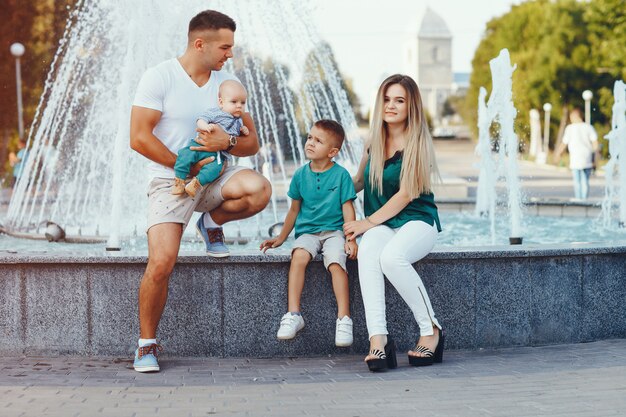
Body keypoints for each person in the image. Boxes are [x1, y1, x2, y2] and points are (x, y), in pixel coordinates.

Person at [129, 10, 271, 373]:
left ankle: (211, 222)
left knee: (259, 189)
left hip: (214, 176)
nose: (229, 54)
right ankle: (146, 345)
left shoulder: (228, 84)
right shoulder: (159, 77)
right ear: (199, 44)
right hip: (170, 181)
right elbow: (139, 137)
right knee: (161, 263)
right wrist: (188, 166)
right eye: (225, 47)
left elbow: (251, 143)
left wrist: (229, 140)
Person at [344, 74, 444, 372]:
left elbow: (406, 195)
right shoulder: (373, 141)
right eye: (387, 99)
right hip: (383, 225)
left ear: (410, 105)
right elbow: (359, 182)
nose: (391, 105)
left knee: (392, 257)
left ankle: (431, 330)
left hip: (418, 221)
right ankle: (379, 341)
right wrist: (328, 185)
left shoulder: (419, 142)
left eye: (399, 100)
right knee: (369, 252)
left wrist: (366, 222)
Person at [260, 120, 358, 347]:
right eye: (310, 138)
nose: (311, 143)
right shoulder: (300, 175)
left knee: (335, 262)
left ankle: (344, 318)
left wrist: (351, 239)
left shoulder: (341, 175)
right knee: (299, 257)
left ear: (332, 152)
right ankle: (294, 315)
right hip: (308, 233)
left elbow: (347, 208)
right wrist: (281, 238)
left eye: (318, 141)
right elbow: (294, 210)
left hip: (334, 232)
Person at [172, 79, 250, 197]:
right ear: (221, 102)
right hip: (200, 146)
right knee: (185, 154)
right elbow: (200, 120)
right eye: (234, 102)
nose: (239, 106)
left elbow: (240, 135)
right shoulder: (216, 113)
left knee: (215, 170)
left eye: (243, 103)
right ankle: (179, 180)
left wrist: (244, 130)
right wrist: (205, 126)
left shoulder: (239, 121)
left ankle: (196, 183)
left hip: (218, 155)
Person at [554, 108, 599, 200]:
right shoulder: (588, 127)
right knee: (585, 181)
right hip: (587, 157)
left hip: (575, 157)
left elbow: (564, 143)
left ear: (575, 117)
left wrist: (558, 154)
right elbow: (595, 143)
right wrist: (596, 157)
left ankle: (579, 199)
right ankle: (584, 200)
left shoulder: (570, 128)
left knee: (577, 181)